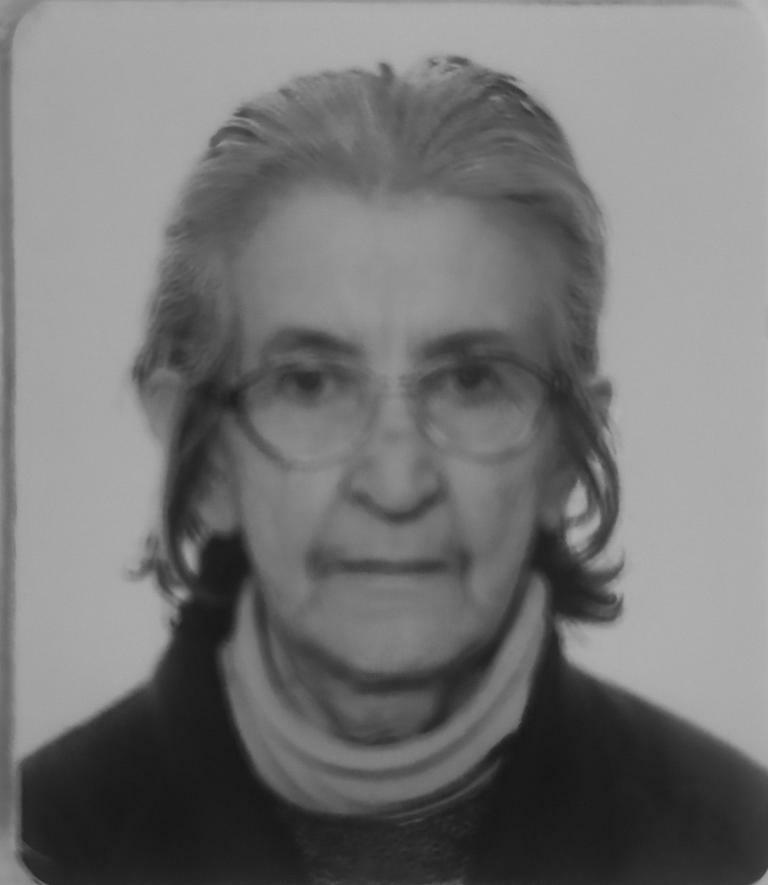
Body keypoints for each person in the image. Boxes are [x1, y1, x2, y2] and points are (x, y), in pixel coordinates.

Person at [20, 56, 768, 885]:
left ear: (565, 449)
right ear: (207, 458)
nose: (397, 482)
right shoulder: (40, 841)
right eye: (310, 383)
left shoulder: (736, 842)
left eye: (471, 380)